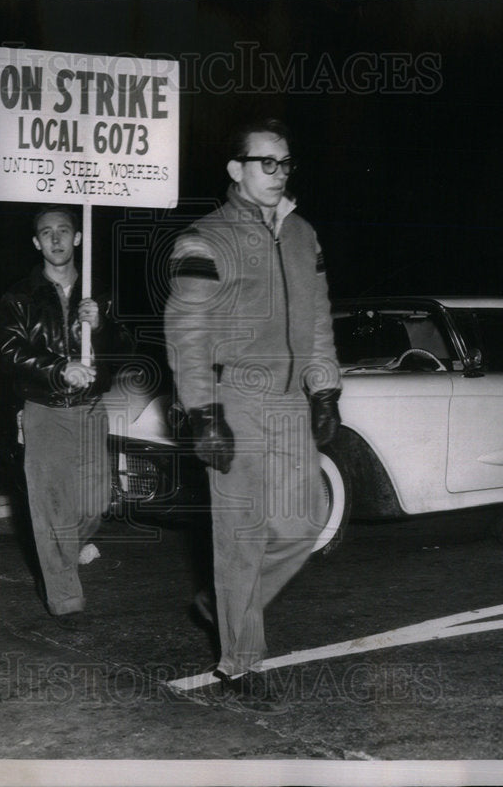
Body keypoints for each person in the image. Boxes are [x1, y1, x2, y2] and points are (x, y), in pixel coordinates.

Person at [163, 118, 342, 711]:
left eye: (285, 163)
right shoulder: (202, 240)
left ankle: (224, 606)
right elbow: (188, 333)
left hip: (290, 401)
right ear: (235, 169)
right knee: (239, 538)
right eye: (266, 162)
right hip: (233, 398)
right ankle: (239, 661)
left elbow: (317, 320)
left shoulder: (303, 235)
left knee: (306, 519)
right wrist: (202, 413)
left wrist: (324, 389)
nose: (279, 173)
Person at [0, 205, 131, 630]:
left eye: (63, 231)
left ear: (78, 238)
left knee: (95, 505)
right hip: (45, 410)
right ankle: (65, 600)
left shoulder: (100, 294)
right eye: (46, 233)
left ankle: (61, 556)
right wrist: (58, 367)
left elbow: (126, 350)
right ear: (36, 242)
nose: (55, 239)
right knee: (51, 508)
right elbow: (8, 351)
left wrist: (103, 324)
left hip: (91, 410)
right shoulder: (18, 296)